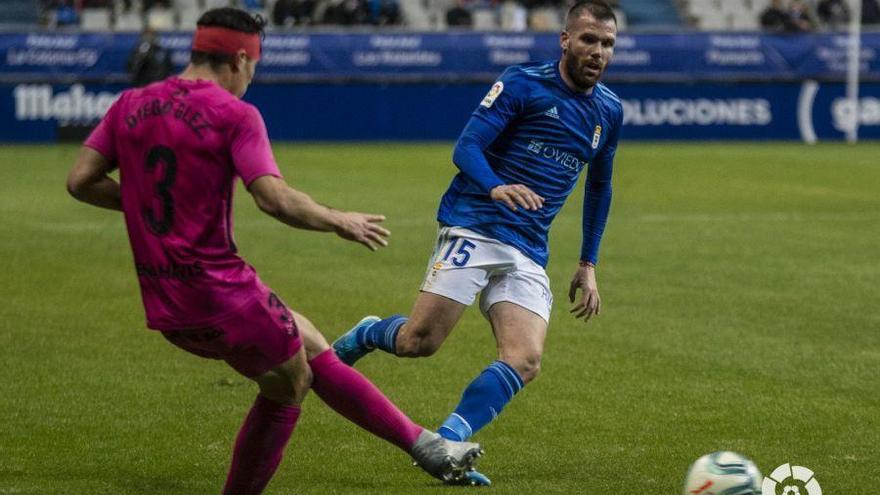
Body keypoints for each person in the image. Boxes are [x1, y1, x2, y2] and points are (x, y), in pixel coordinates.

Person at [66, 7, 481, 494]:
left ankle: (425, 444)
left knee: (306, 338)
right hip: (220, 290)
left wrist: (149, 206)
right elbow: (273, 198)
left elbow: (80, 181)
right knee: (289, 383)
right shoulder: (234, 114)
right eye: (254, 69)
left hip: (163, 296)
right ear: (241, 59)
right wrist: (337, 220)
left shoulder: (130, 104)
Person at [333, 0, 622, 485]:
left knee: (525, 359)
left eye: (608, 43)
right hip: (475, 223)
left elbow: (599, 186)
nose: (598, 51)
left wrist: (588, 262)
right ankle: (368, 332)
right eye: (589, 39)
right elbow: (465, 147)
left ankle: (446, 441)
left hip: (528, 247)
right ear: (566, 39)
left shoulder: (609, 111)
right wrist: (495, 185)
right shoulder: (522, 84)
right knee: (419, 342)